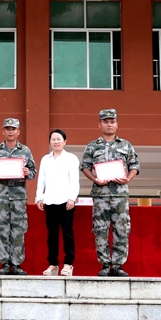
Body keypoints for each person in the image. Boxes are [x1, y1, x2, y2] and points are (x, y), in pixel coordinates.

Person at [81, 109, 140, 277]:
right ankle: (105, 264)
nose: (109, 125)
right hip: (100, 195)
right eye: (105, 122)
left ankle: (118, 265)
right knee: (100, 229)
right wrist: (95, 179)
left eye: (112, 122)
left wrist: (128, 179)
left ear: (117, 124)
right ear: (99, 124)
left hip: (120, 195)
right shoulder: (92, 146)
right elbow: (84, 166)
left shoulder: (126, 145)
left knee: (122, 229)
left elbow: (135, 165)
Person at [0, 118, 36, 276]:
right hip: (2, 195)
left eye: (13, 129)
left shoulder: (25, 151)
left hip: (18, 196)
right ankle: (4, 263)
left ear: (18, 131)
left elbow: (33, 172)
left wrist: (28, 172)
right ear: (3, 131)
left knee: (18, 230)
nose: (10, 131)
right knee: (2, 229)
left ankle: (16, 264)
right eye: (8, 128)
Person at [35, 129, 80, 277]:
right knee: (52, 234)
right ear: (50, 142)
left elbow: (74, 180)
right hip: (50, 201)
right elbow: (41, 180)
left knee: (67, 233)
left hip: (66, 201)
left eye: (59, 139)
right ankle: (53, 264)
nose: (56, 142)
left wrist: (72, 197)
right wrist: (39, 197)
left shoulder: (71, 158)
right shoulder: (45, 159)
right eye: (53, 139)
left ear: (65, 142)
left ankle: (68, 264)